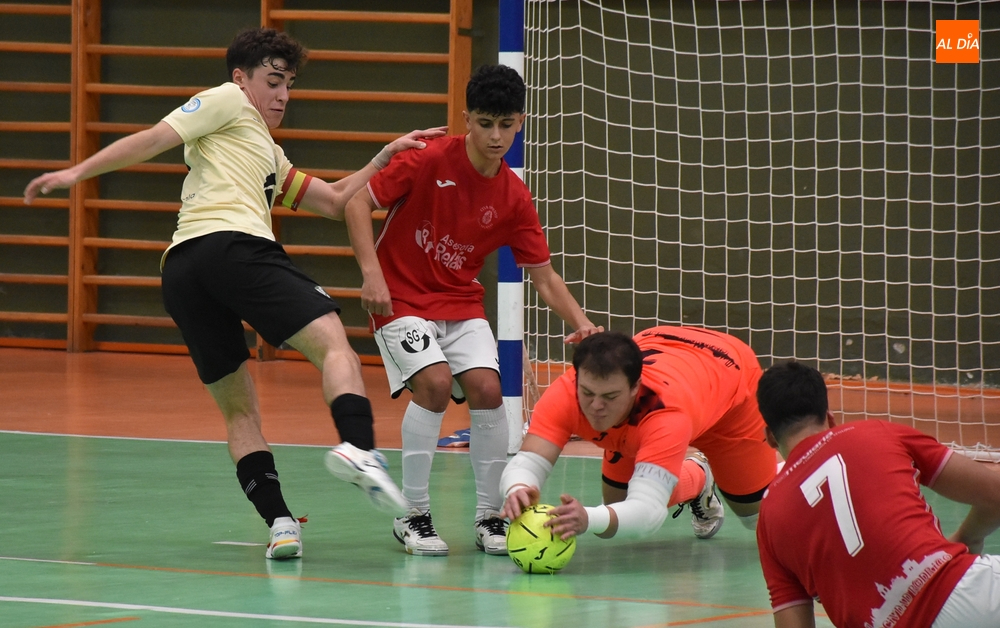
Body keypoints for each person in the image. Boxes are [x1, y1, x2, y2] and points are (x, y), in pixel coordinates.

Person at [23, 27, 445, 561]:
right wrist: (76, 172)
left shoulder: (269, 154)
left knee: (240, 412)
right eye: (273, 81)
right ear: (240, 79)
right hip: (232, 249)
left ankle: (282, 525)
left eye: (289, 85)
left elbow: (337, 201)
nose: (283, 96)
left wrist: (384, 157)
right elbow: (154, 138)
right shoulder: (225, 101)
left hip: (183, 273)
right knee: (334, 345)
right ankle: (361, 449)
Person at [344, 64, 602, 557]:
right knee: (436, 384)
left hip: (459, 303)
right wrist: (371, 273)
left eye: (506, 124)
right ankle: (413, 515)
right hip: (399, 298)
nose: (495, 135)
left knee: (488, 388)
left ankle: (489, 518)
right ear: (467, 119)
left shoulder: (513, 196)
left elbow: (543, 275)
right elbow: (357, 201)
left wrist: (583, 325)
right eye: (485, 123)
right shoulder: (428, 159)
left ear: (520, 122)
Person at [755, 361, 1000, 628]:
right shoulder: (875, 433)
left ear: (770, 437)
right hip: (966, 593)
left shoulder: (769, 518)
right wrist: (968, 537)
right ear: (830, 417)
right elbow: (995, 492)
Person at [500, 326, 777, 542]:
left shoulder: (665, 415)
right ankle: (699, 476)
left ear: (636, 387)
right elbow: (528, 462)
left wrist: (588, 518)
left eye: (609, 396)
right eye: (587, 393)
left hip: (730, 382)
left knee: (761, 520)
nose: (596, 406)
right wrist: (518, 489)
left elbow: (648, 514)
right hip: (672, 351)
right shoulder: (565, 393)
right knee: (618, 508)